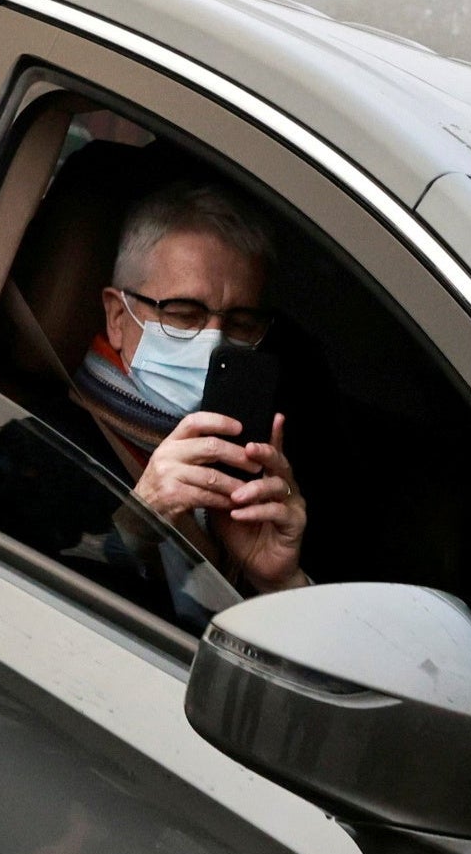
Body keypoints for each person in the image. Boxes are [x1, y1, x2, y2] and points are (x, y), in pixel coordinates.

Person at [72, 178, 310, 597]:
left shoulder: (259, 474)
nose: (215, 343)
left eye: (240, 324)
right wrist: (136, 523)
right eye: (184, 314)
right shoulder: (42, 438)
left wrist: (279, 583)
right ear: (117, 317)